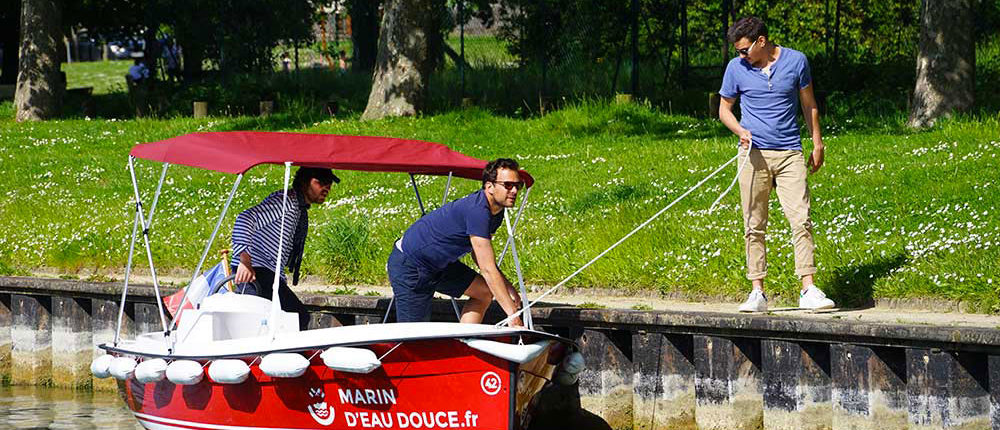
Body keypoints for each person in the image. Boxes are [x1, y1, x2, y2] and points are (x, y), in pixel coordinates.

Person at [717, 16, 834, 312]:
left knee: (801, 219)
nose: (740, 56)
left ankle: (808, 289)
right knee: (753, 224)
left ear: (761, 41)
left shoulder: (796, 61)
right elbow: (724, 110)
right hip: (753, 156)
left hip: (790, 153)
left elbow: (809, 104)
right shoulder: (736, 69)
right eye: (737, 51)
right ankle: (757, 291)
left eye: (744, 50)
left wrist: (817, 143)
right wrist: (740, 131)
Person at [387, 159, 525, 325]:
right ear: (489, 187)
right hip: (411, 265)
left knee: (484, 292)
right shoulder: (477, 212)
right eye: (508, 185)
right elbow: (487, 269)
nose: (515, 190)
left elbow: (479, 255)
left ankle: (465, 343)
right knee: (413, 336)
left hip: (439, 265)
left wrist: (508, 287)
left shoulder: (496, 213)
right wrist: (511, 314)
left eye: (518, 185)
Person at [231, 167, 340, 329]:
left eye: (329, 183)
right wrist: (244, 261)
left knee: (290, 319)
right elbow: (244, 218)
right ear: (304, 183)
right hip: (256, 272)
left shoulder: (297, 206)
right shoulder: (287, 202)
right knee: (295, 318)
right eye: (320, 182)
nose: (327, 187)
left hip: (268, 273)